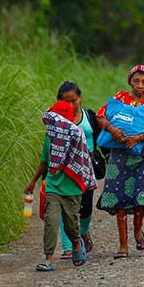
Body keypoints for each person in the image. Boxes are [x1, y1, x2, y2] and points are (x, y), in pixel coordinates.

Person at [95, 65, 144, 259]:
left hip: (142, 154)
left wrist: (140, 137)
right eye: (136, 81)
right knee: (119, 199)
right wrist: (112, 129)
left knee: (140, 196)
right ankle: (123, 245)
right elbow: (100, 116)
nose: (140, 85)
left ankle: (138, 231)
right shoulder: (120, 97)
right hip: (120, 154)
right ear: (129, 82)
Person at [24, 100, 97, 271]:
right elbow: (44, 161)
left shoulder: (78, 136)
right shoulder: (49, 138)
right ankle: (48, 257)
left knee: (71, 223)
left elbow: (83, 162)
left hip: (73, 188)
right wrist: (33, 182)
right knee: (51, 221)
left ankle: (77, 243)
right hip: (53, 186)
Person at [54, 82, 102, 260]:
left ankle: (83, 232)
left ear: (80, 98)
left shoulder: (89, 116)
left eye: (74, 100)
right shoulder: (57, 119)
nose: (71, 105)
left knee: (86, 208)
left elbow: (100, 138)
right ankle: (68, 247)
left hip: (87, 167)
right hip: (65, 168)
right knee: (65, 206)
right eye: (66, 102)